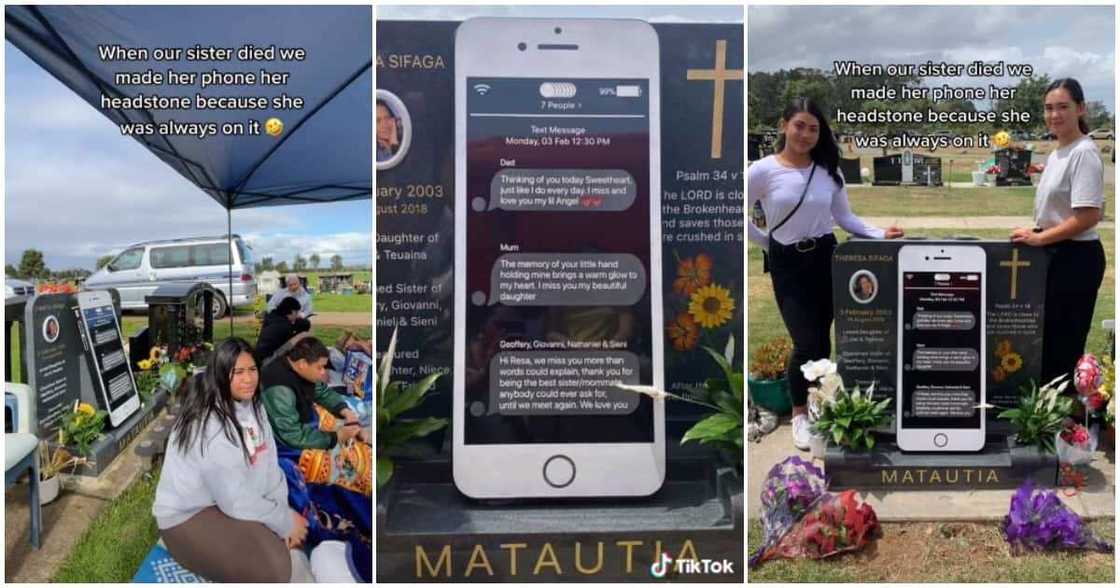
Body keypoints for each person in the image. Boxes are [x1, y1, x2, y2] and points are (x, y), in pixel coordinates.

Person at [748, 97, 904, 451]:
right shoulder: (763, 170)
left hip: (826, 257)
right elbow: (735, 208)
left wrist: (880, 233)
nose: (805, 134)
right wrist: (767, 243)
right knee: (805, 342)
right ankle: (800, 413)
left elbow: (845, 219)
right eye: (799, 125)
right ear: (784, 125)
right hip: (788, 264)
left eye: (813, 129)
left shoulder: (828, 172)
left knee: (824, 339)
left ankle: (818, 403)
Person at [151, 338, 312, 582]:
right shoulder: (208, 423)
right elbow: (235, 500)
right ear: (221, 374)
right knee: (276, 569)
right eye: (237, 372)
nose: (248, 379)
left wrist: (282, 512)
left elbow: (270, 465)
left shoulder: (254, 405)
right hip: (189, 514)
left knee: (283, 543)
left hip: (227, 499)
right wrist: (284, 522)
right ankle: (180, 545)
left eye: (252, 370)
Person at [1010, 78, 1105, 385]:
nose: (1055, 115)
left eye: (1063, 107)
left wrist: (1040, 238)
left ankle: (1064, 424)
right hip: (1055, 253)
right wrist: (1036, 230)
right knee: (1046, 342)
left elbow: (1089, 215)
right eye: (1049, 108)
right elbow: (1059, 211)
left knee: (1063, 344)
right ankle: (1048, 419)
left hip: (1075, 258)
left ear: (1081, 108)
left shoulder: (1084, 152)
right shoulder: (1056, 153)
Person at [261, 336, 371, 496]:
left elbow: (322, 392)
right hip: (286, 444)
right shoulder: (279, 390)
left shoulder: (299, 367)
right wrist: (335, 437)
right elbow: (291, 436)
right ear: (302, 364)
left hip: (303, 423)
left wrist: (345, 411)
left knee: (349, 434)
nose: (323, 372)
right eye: (320, 367)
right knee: (343, 470)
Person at [256, 296, 311, 366]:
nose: (297, 315)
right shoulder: (285, 326)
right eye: (296, 312)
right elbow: (289, 348)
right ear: (292, 311)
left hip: (258, 360)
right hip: (267, 362)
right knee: (300, 337)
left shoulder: (272, 316)